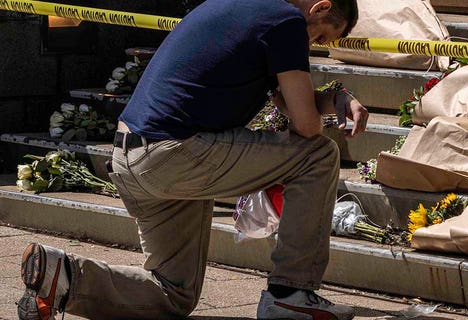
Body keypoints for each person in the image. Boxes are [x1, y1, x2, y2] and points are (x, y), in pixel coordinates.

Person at [17, 0, 367, 319]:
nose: (309, 46)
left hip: (130, 155)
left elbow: (288, 102)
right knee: (319, 155)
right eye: (317, 36)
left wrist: (334, 98)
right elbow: (307, 128)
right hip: (176, 153)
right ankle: (292, 292)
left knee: (174, 293)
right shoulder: (287, 20)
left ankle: (60, 276)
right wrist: (331, 101)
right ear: (320, 8)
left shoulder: (236, 8)